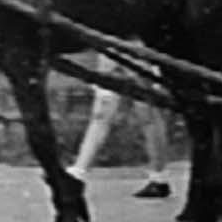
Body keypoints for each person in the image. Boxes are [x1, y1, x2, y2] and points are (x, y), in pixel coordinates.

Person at [66, 53, 175, 199]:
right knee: (101, 114)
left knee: (148, 116)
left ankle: (159, 176)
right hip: (109, 54)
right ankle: (78, 171)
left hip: (137, 53)